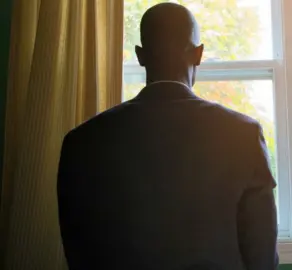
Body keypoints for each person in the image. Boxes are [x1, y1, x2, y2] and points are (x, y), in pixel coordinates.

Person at [57, 3, 279, 270]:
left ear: (140, 55)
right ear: (198, 54)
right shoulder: (243, 135)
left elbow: (78, 251)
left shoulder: (82, 142)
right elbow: (262, 254)